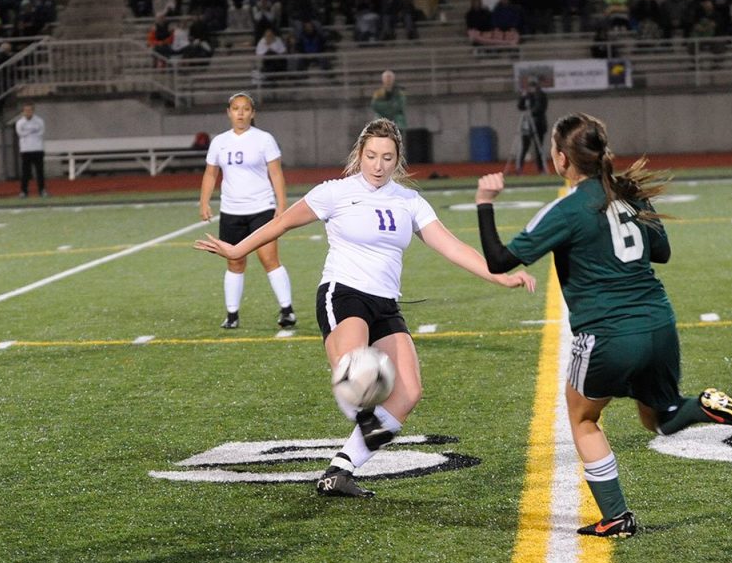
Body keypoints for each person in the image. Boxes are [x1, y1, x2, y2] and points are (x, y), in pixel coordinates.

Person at [194, 118, 536, 498]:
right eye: (371, 155)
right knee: (354, 365)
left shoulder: (409, 200)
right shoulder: (335, 192)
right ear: (359, 155)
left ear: (398, 159)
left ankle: (339, 470)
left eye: (387, 157)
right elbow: (283, 222)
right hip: (343, 294)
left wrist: (499, 276)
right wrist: (238, 249)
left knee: (408, 393)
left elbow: (453, 246)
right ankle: (364, 416)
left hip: (385, 304)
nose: (378, 165)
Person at [473, 112, 732, 538]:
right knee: (661, 418)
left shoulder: (569, 207)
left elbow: (500, 261)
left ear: (561, 159)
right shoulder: (629, 193)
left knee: (583, 419)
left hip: (609, 333)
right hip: (659, 322)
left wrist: (485, 201)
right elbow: (661, 253)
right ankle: (704, 404)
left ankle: (616, 516)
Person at [197, 93, 296, 331]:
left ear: (253, 113)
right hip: (231, 210)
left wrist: (281, 205)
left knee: (269, 258)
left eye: (245, 109)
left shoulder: (264, 139)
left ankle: (287, 310)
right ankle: (232, 315)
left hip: (261, 207)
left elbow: (276, 173)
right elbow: (211, 174)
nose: (240, 113)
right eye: (235, 108)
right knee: (234, 260)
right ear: (228, 112)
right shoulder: (219, 141)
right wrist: (204, 201)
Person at [15, 102, 47, 198]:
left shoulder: (39, 121)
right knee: (25, 172)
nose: (28, 112)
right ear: (23, 112)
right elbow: (20, 133)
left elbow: (41, 132)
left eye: (30, 110)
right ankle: (24, 191)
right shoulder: (20, 122)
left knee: (40, 171)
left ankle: (42, 190)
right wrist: (32, 131)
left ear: (33, 111)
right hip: (26, 150)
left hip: (38, 148)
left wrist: (28, 132)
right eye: (26, 110)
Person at [516, 78, 547, 174]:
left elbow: (540, 108)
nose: (531, 88)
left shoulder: (541, 95)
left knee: (538, 148)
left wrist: (531, 111)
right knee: (524, 146)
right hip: (527, 124)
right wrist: (523, 97)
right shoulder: (527, 95)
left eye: (533, 86)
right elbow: (520, 107)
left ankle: (541, 169)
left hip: (538, 124)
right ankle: (519, 168)